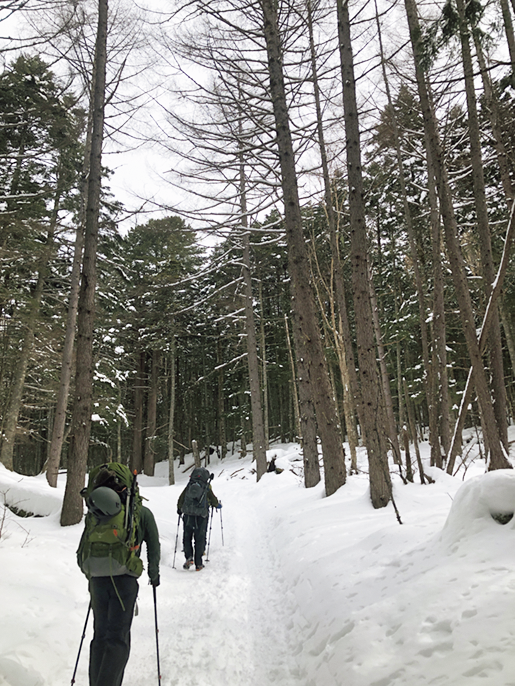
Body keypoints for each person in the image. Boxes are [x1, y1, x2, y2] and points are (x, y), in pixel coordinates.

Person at [77, 464, 160, 686]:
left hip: (97, 580)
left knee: (100, 636)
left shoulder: (97, 512)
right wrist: (154, 574)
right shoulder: (141, 512)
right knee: (118, 639)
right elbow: (153, 544)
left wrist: (92, 575)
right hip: (125, 581)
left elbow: (84, 546)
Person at [177, 467, 221, 571]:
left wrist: (179, 509)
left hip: (188, 514)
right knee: (200, 538)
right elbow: (213, 500)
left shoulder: (189, 485)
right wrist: (217, 505)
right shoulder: (206, 487)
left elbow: (181, 498)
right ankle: (199, 564)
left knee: (187, 536)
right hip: (201, 516)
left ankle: (189, 557)